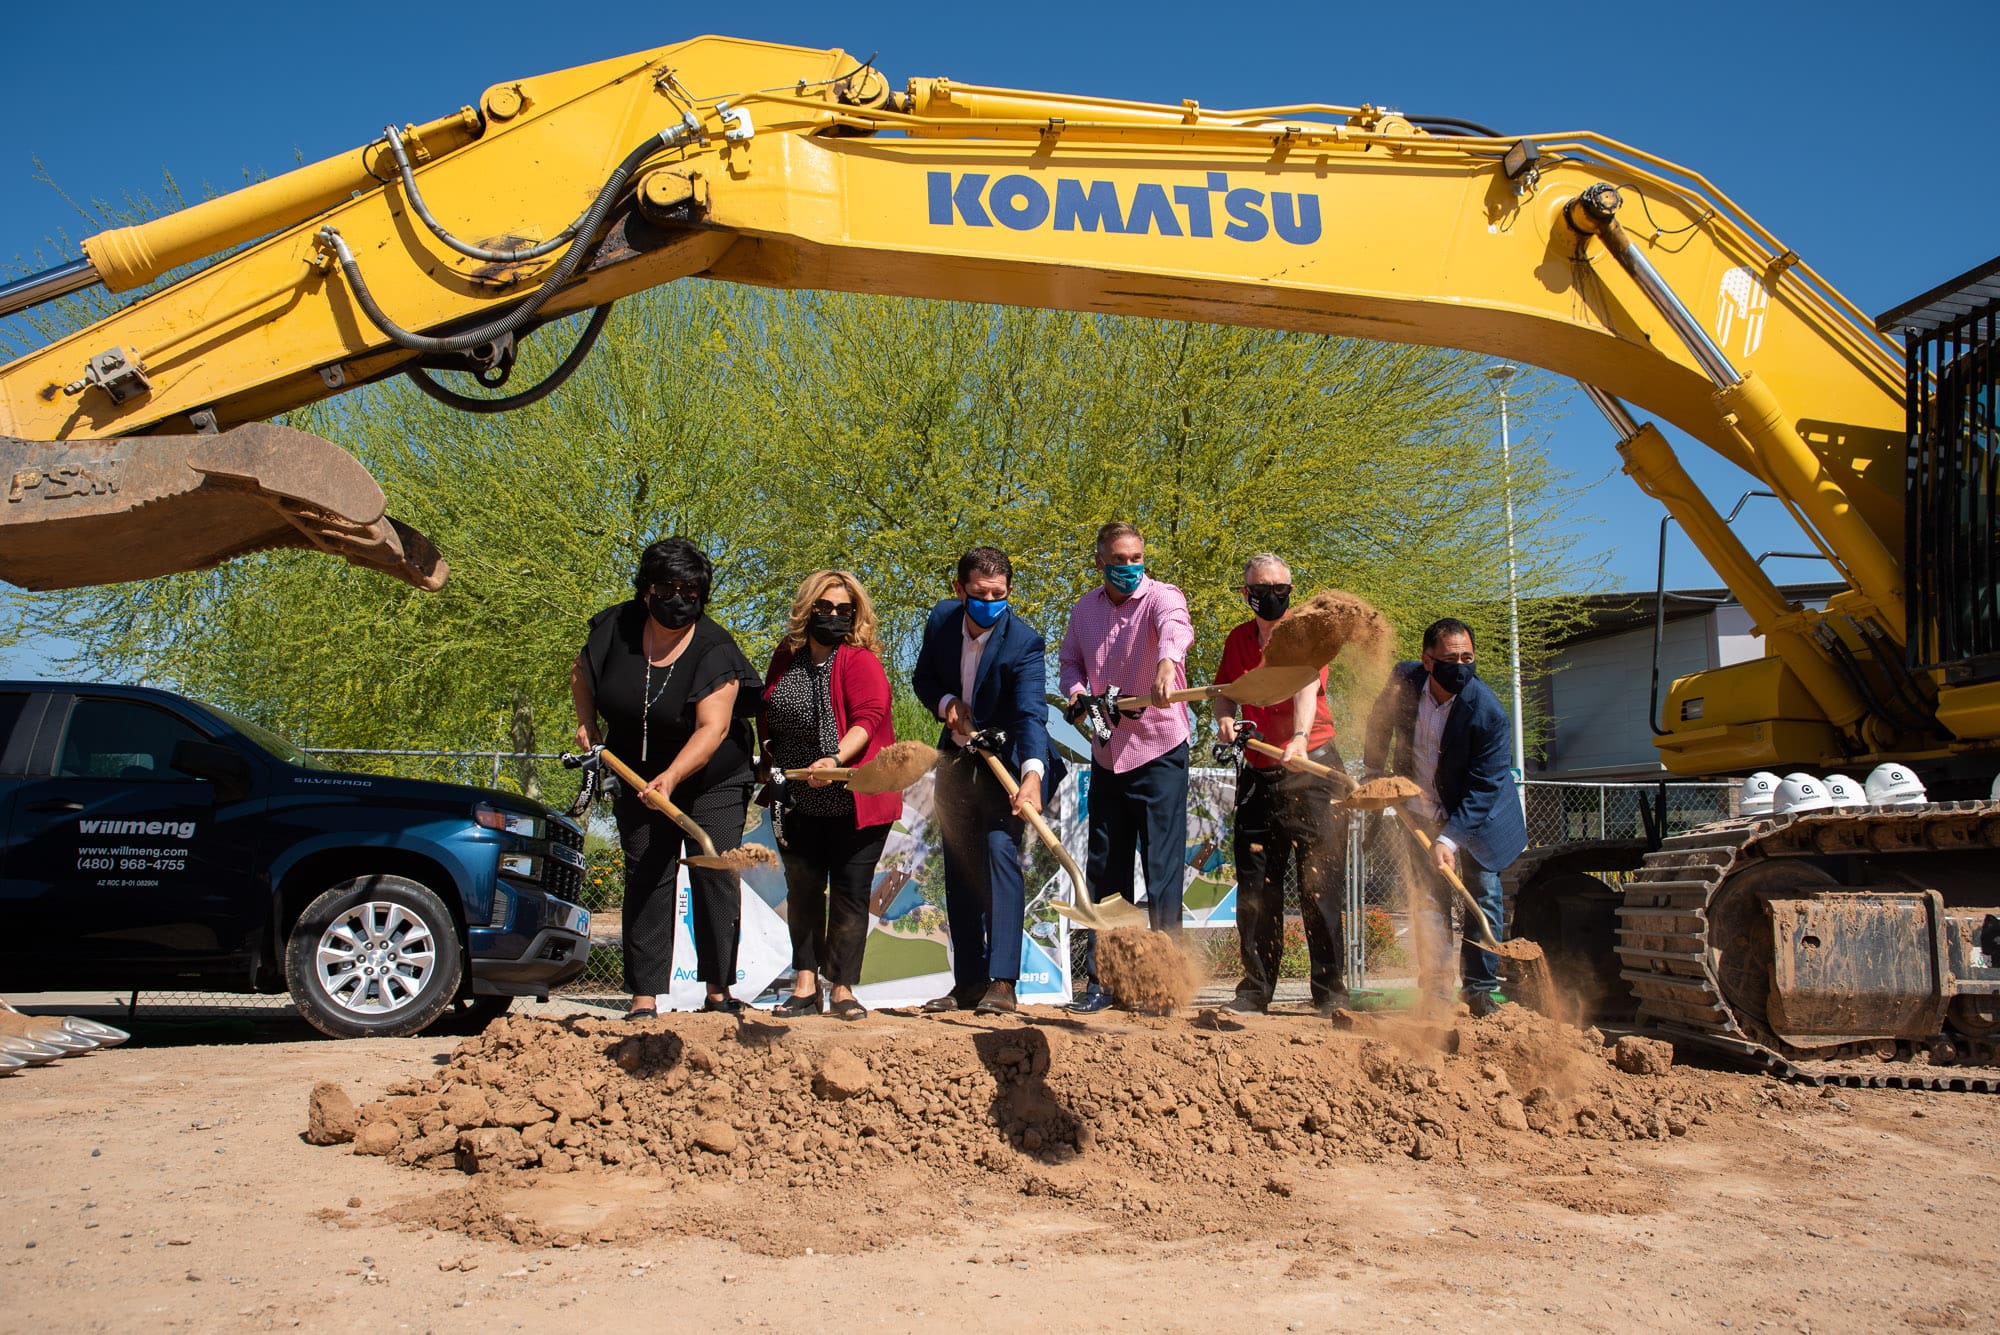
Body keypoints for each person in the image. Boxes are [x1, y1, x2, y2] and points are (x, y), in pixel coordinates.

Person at [571, 537, 762, 1020]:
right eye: (668, 588)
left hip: (713, 774)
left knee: (712, 869)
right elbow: (582, 673)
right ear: (646, 590)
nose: (679, 599)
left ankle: (718, 992)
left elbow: (714, 727)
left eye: (692, 591)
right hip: (635, 771)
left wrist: (672, 777)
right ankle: (644, 996)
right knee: (647, 873)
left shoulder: (715, 647)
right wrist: (587, 723)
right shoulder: (615, 627)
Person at [1059, 521, 1194, 1014]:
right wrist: (1076, 695)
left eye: (1136, 558)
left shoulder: (1162, 597)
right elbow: (1070, 662)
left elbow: (1176, 627)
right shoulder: (1083, 611)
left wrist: (1166, 662)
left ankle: (1164, 986)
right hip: (1107, 752)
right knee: (1105, 870)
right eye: (1119, 559)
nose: (1130, 567)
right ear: (1099, 561)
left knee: (1161, 871)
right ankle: (1104, 982)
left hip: (1160, 750)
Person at [1362, 618, 1528, 1017]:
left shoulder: (1487, 713)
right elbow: (1379, 722)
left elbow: (1486, 786)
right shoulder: (1405, 679)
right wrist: (1373, 771)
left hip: (1479, 816)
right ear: (1428, 660)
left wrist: (1449, 839)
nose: (1461, 665)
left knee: (1482, 896)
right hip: (1421, 809)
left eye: (1468, 658)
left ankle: (1480, 990)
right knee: (1429, 903)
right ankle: (1435, 991)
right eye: (1451, 657)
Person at [911, 546, 1051, 1016]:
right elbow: (924, 678)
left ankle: (1003, 982)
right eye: (979, 594)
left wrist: (1031, 776)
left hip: (1006, 763)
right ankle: (968, 982)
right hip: (956, 758)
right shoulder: (942, 621)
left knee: (998, 855)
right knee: (961, 866)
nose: (990, 602)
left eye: (999, 594)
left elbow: (1032, 715)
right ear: (959, 591)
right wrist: (947, 701)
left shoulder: (1024, 644)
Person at [1214, 554, 1352, 1015]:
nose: (1272, 596)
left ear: (1290, 592)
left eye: (1281, 589)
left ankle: (1331, 994)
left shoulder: (1306, 633)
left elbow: (1306, 686)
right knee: (1256, 888)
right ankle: (1254, 990)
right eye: (1262, 588)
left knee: (1320, 885)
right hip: (1258, 773)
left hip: (1311, 770)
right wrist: (1225, 722)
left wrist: (1296, 738)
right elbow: (1224, 693)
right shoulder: (1237, 640)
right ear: (1246, 592)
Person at [757, 570, 897, 1022]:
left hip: (855, 799)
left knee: (851, 894)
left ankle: (842, 988)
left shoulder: (860, 660)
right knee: (802, 889)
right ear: (807, 608)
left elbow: (869, 717)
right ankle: (804, 984)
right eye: (824, 607)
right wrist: (768, 755)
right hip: (798, 796)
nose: (833, 616)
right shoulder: (786, 655)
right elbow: (769, 710)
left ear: (855, 615)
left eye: (843, 610)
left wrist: (835, 759)